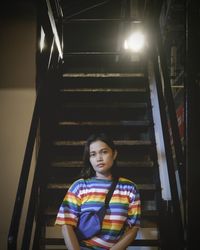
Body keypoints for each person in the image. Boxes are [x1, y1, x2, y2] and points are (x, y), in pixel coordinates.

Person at [55, 132, 141, 250]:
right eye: (93, 154)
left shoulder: (129, 188)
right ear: (89, 159)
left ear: (114, 154)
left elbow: (133, 228)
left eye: (104, 152)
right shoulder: (80, 186)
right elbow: (66, 224)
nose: (99, 158)